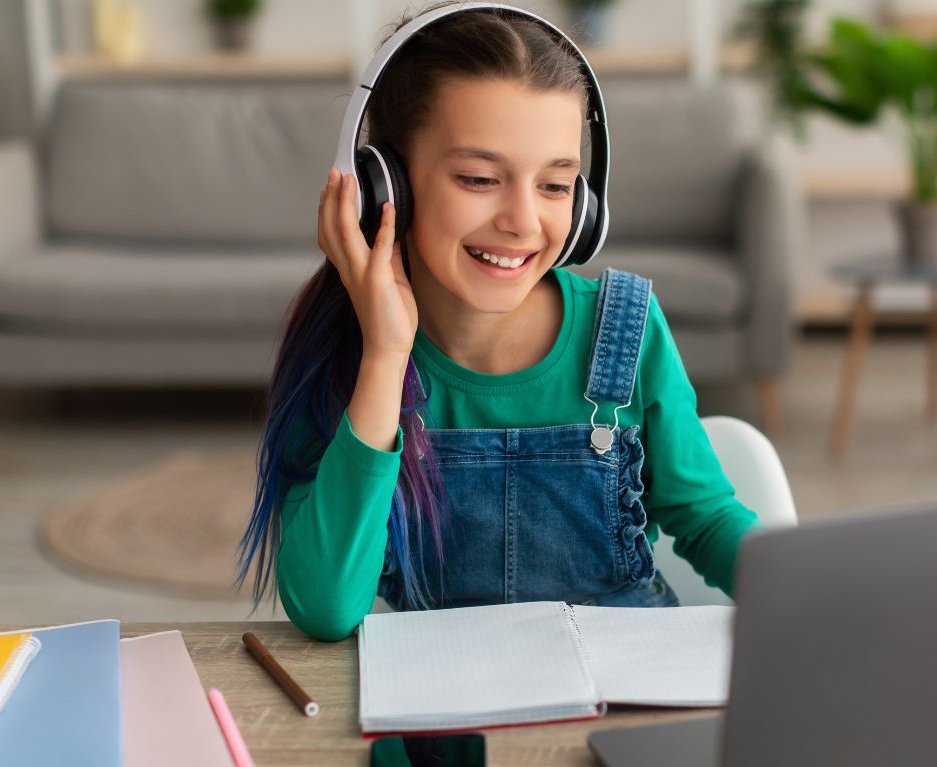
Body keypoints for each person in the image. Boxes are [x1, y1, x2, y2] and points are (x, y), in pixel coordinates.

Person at [237, 2, 759, 642]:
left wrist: (828, 591)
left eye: (556, 186)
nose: (522, 220)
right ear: (386, 186)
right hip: (452, 706)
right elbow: (326, 608)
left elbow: (705, 518)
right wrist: (385, 354)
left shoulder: (625, 329)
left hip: (628, 686)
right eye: (480, 178)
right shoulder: (348, 350)